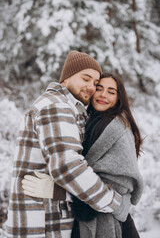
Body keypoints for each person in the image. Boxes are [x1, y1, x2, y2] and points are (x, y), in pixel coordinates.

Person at [6, 51, 130, 238]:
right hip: (43, 224)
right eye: (85, 79)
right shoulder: (56, 106)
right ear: (66, 78)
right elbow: (68, 167)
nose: (91, 87)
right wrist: (116, 204)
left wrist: (60, 192)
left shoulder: (67, 107)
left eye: (95, 83)